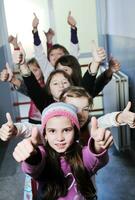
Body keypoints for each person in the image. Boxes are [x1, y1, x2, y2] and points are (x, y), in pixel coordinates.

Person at [12, 102, 113, 200]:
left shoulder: (82, 155)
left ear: (75, 132)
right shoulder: (43, 154)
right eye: (52, 131)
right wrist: (32, 156)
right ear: (45, 135)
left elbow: (93, 158)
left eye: (66, 130)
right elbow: (35, 166)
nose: (60, 138)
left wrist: (98, 144)